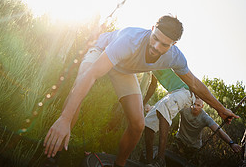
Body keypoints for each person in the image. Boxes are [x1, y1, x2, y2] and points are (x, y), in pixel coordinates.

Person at [43, 15, 238, 166]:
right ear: (152, 29)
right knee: (81, 83)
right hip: (102, 52)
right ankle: (53, 154)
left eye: (164, 44)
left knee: (137, 124)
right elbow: (92, 75)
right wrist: (65, 119)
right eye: (155, 38)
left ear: (173, 45)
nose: (156, 46)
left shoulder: (175, 57)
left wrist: (220, 108)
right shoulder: (130, 40)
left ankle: (118, 165)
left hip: (125, 70)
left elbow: (194, 84)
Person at [142, 69, 196, 167]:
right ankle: (149, 162)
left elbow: (182, 69)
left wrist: (197, 92)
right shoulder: (152, 65)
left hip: (186, 92)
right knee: (148, 121)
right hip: (173, 93)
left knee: (164, 105)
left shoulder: (165, 57)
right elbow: (153, 85)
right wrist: (143, 103)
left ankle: (161, 160)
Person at [172, 98, 241, 165]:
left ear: (202, 106)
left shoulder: (205, 117)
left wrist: (231, 143)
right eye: (194, 104)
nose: (195, 107)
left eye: (198, 105)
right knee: (170, 160)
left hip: (194, 147)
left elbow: (218, 131)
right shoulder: (184, 109)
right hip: (180, 140)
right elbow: (170, 108)